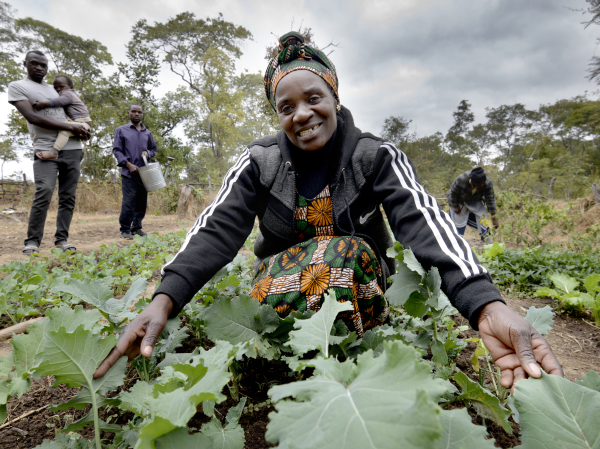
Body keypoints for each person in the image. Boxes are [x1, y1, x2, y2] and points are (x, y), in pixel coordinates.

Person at [94, 32, 563, 391]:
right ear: (277, 115)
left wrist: (486, 305)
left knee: (344, 255)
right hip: (278, 288)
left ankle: (339, 364)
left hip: (359, 283)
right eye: (286, 106)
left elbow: (423, 221)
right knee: (321, 261)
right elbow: (216, 228)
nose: (301, 114)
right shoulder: (260, 161)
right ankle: (289, 358)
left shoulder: (374, 155)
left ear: (334, 97)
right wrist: (164, 298)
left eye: (312, 98)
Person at [7, 50, 91, 254]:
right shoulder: (18, 86)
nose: (39, 68)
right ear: (25, 63)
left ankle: (62, 240)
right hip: (45, 147)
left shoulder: (57, 89)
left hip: (72, 148)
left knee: (68, 196)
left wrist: (83, 130)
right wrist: (71, 127)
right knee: (44, 190)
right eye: (34, 63)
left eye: (43, 65)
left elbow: (74, 111)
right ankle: (33, 240)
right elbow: (32, 117)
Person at [112, 104, 157, 240]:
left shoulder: (147, 133)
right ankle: (125, 229)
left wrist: (148, 153)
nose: (136, 114)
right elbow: (117, 150)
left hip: (144, 174)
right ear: (129, 113)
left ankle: (136, 228)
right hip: (129, 173)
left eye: (139, 112)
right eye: (134, 111)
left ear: (142, 115)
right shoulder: (121, 130)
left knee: (141, 203)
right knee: (129, 201)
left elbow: (153, 150)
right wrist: (127, 164)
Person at [31, 74, 92, 161]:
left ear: (70, 87)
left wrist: (45, 103)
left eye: (61, 86)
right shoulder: (65, 94)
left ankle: (54, 151)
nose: (58, 89)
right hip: (75, 120)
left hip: (83, 122)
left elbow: (60, 101)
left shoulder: (68, 94)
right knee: (60, 125)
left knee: (65, 130)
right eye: (55, 88)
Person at [448, 167, 499, 242]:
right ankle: (457, 239)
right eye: (479, 183)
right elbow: (453, 193)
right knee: (458, 219)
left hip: (476, 200)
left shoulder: (488, 183)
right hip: (459, 200)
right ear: (472, 181)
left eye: (483, 183)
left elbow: (490, 200)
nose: (481, 185)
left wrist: (494, 219)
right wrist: (455, 206)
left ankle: (485, 237)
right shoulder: (462, 179)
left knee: (483, 217)